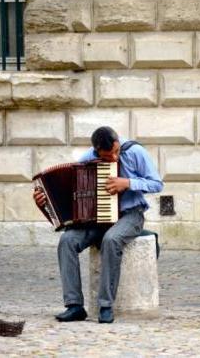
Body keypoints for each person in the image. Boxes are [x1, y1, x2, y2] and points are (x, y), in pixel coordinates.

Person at [33, 126, 163, 323]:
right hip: (97, 220)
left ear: (118, 142)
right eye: (107, 155)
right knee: (67, 240)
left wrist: (127, 183)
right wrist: (45, 201)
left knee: (111, 240)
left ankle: (105, 305)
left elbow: (156, 184)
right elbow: (73, 195)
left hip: (130, 215)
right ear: (96, 151)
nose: (113, 158)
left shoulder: (135, 151)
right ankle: (74, 305)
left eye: (116, 152)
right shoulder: (87, 159)